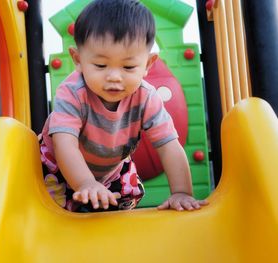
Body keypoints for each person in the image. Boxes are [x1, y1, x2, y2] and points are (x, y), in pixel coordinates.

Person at [40, 0, 208, 212]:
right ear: (78, 59)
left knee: (120, 201)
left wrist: (182, 192)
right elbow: (65, 143)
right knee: (53, 208)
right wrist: (85, 183)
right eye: (100, 65)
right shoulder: (73, 93)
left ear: (147, 64)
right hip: (56, 167)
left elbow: (169, 146)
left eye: (128, 67)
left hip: (111, 169)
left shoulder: (146, 97)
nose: (114, 77)